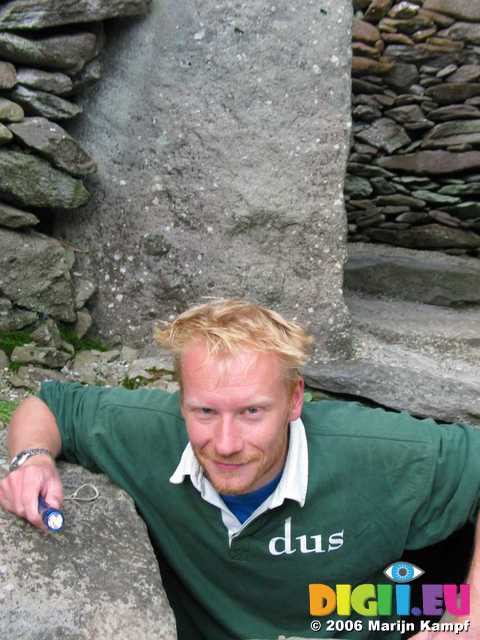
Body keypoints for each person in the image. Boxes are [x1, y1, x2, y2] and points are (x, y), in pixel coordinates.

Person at [0, 299, 478, 640]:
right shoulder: (149, 431)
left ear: (294, 400)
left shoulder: (375, 449)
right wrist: (31, 459)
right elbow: (49, 404)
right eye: (204, 411)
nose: (225, 444)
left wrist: (468, 617)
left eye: (252, 412)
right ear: (181, 401)